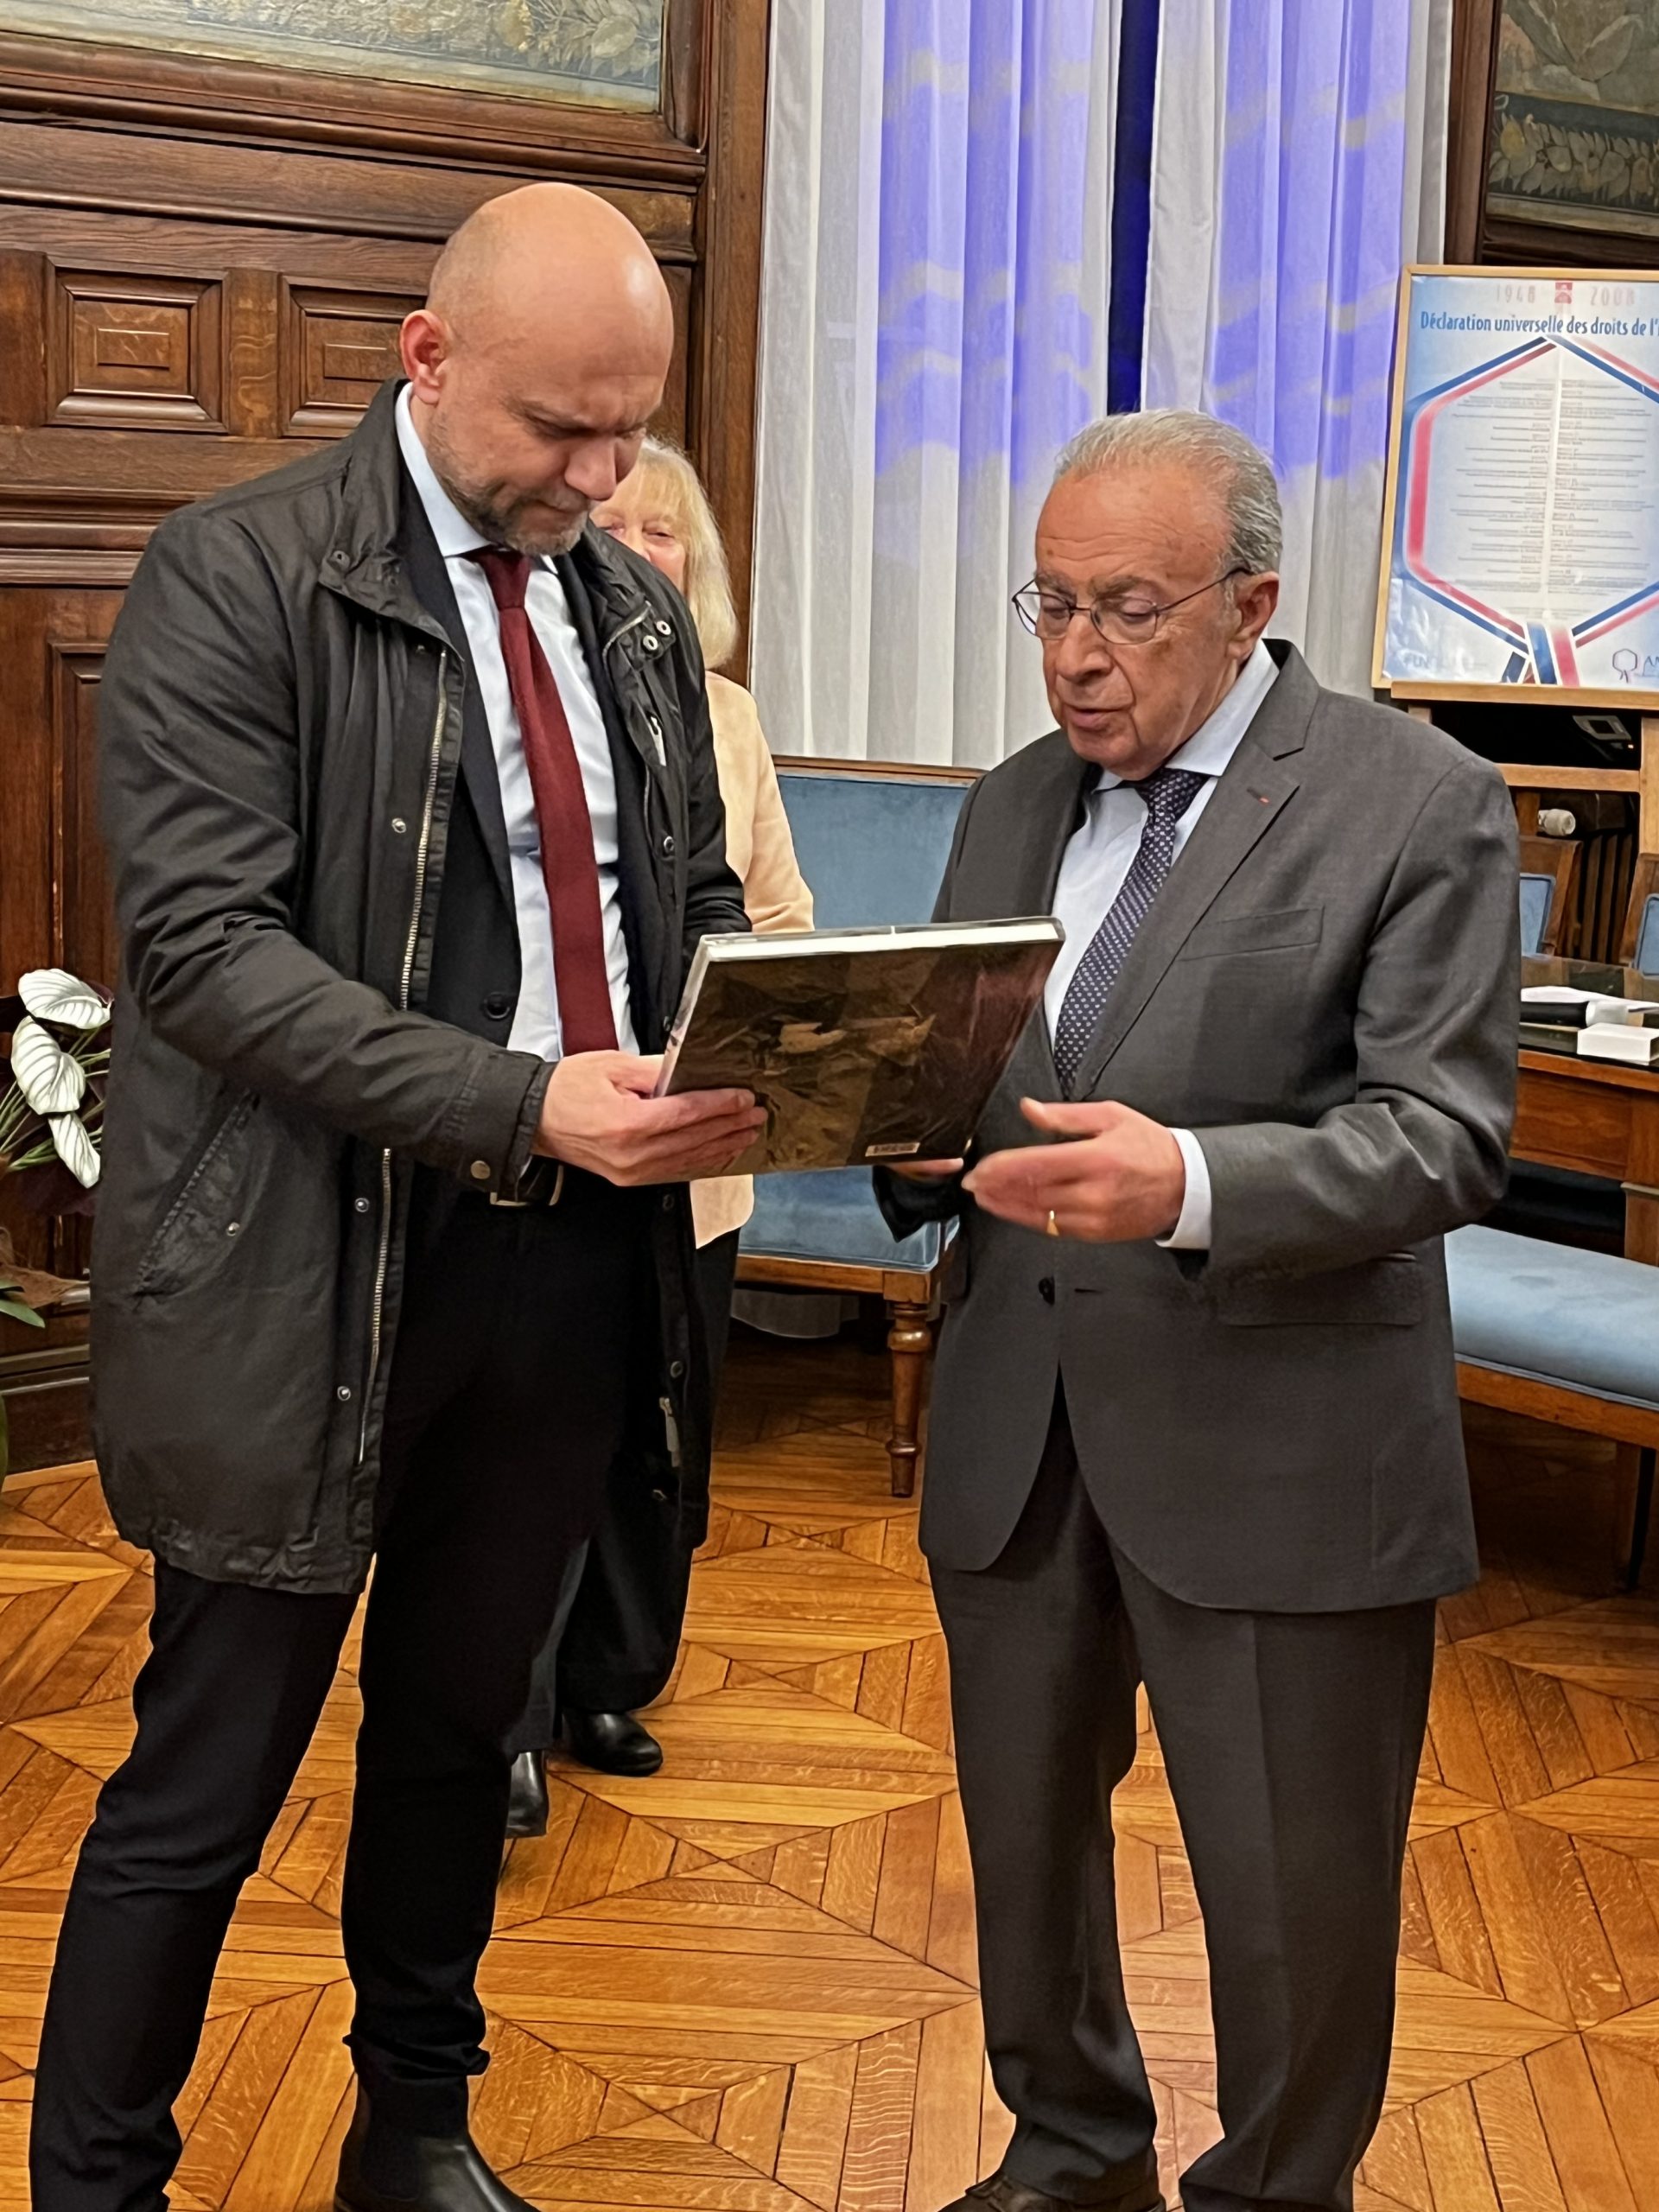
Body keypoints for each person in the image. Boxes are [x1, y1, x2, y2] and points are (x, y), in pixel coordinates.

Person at [34, 183, 766, 2212]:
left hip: (574, 1261)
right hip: (309, 1264)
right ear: (426, 359)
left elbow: (689, 895)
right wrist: (526, 1100)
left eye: (632, 432)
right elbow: (208, 957)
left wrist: (782, 1044)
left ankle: (413, 2129)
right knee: (210, 1772)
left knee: (459, 1731)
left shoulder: (626, 611)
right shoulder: (237, 573)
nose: (603, 479)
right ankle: (97, 2182)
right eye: (561, 429)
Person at [880, 410, 1517, 2212]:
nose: (1077, 654)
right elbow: (978, 1081)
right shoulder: (1014, 800)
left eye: (1129, 609)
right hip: (1019, 1422)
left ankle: (1274, 2191)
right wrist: (904, 1128)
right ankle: (1072, 2149)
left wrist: (1194, 1184)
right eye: (1051, 603)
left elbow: (1444, 1134)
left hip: (1280, 1447)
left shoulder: (1417, 800)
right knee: (1024, 1847)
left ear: (1249, 604)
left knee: (1293, 1895)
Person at [504, 437, 813, 1827]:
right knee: (524, 1447)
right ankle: (505, 1714)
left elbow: (779, 918)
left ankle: (610, 1681)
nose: (636, 552)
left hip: (693, 1147)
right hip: (540, 1139)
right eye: (611, 526)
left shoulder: (730, 719)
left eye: (664, 532)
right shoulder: (520, 691)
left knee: (658, 1427)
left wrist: (720, 1035)